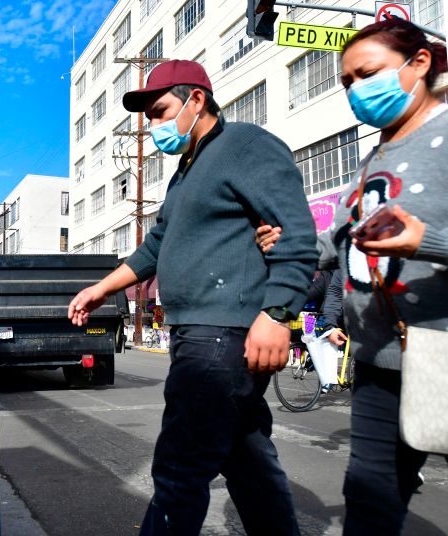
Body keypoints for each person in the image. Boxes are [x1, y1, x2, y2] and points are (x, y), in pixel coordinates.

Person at [68, 59, 318, 535]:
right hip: (197, 334)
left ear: (196, 100)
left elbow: (296, 235)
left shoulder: (245, 145)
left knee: (180, 468)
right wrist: (101, 288)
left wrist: (278, 313)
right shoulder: (185, 171)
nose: (156, 127)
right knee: (247, 462)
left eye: (162, 112)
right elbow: (157, 245)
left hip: (221, 334)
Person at [256, 19, 448, 535]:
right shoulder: (375, 156)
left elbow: (419, 237)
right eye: (347, 83)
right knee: (369, 497)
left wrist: (424, 240)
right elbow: (338, 243)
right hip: (380, 360)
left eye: (368, 74)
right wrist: (287, 244)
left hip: (442, 353)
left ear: (421, 63)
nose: (356, 91)